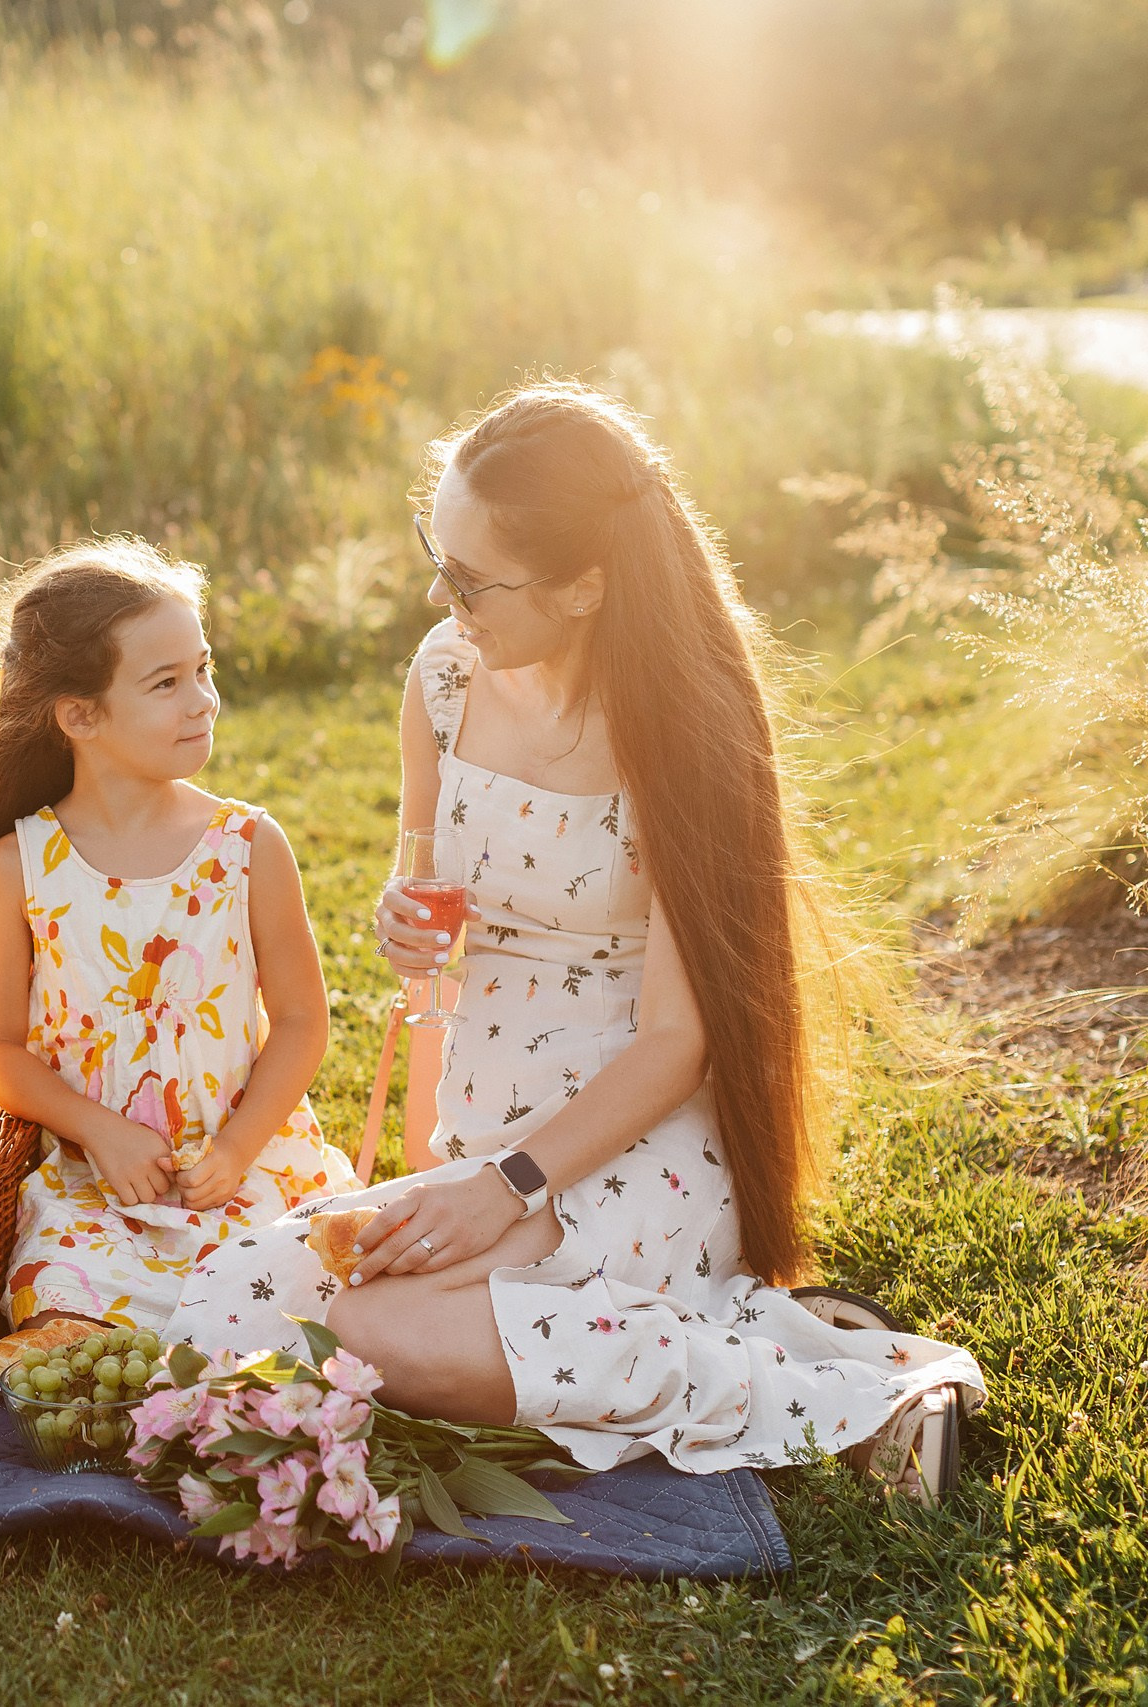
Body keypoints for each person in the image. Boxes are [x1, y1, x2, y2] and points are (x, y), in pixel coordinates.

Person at [169, 383, 986, 1499]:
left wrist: (504, 1184)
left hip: (625, 1135)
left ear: (586, 586)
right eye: (433, 555)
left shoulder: (685, 730)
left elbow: (675, 1046)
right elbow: (427, 881)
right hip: (487, 1124)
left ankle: (857, 1411)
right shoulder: (443, 679)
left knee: (385, 1330)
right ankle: (729, 1335)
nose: (436, 593)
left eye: (468, 578)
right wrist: (403, 924)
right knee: (230, 1299)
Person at [0, 540, 359, 1337]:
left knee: (311, 1307)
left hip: (248, 1172)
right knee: (60, 1310)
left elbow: (305, 1023)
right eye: (167, 683)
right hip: (98, 1193)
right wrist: (99, 1129)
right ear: (79, 715)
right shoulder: (17, 868)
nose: (203, 699)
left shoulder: (248, 846)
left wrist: (239, 1148)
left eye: (204, 670)